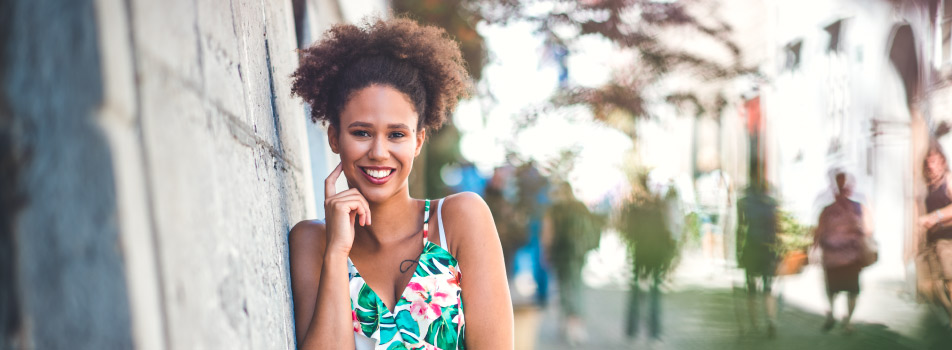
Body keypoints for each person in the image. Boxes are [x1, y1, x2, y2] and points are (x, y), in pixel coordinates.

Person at [287, 17, 514, 349]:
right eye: (361, 132)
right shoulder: (313, 243)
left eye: (396, 134)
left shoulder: (460, 220)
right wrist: (337, 253)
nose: (379, 152)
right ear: (334, 137)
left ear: (418, 141)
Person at [814, 172, 873, 334]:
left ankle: (839, 318)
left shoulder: (833, 209)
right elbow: (868, 230)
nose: (840, 189)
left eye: (842, 185)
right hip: (841, 257)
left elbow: (818, 232)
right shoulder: (856, 208)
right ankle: (844, 320)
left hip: (845, 257)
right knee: (845, 290)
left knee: (840, 290)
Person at [736, 180, 779, 337]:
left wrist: (738, 252)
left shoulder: (743, 203)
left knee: (751, 287)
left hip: (751, 248)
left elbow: (740, 228)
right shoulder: (771, 204)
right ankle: (771, 321)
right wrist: (778, 252)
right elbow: (776, 228)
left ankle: (754, 323)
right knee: (768, 287)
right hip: (767, 248)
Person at [918, 141, 952, 328]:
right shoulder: (929, 185)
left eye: (935, 161)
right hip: (933, 244)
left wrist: (935, 216)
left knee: (949, 282)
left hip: (949, 241)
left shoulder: (949, 180)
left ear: (943, 161)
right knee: (934, 287)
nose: (931, 165)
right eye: (928, 162)